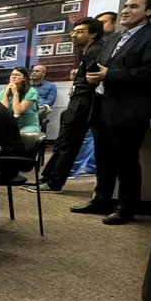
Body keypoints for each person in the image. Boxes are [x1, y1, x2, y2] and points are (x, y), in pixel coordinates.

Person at [73, 0, 151, 224]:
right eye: (125, 6)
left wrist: (111, 74)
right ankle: (101, 200)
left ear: (150, 10)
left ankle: (126, 207)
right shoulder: (113, 38)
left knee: (126, 160)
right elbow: (102, 68)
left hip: (129, 108)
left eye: (134, 7)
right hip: (101, 105)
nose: (126, 11)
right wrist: (94, 77)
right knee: (103, 157)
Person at [36, 17, 105, 192]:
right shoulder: (87, 51)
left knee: (68, 143)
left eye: (80, 31)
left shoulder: (95, 50)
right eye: (73, 31)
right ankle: (49, 177)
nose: (74, 35)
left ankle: (54, 183)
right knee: (63, 142)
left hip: (84, 102)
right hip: (78, 100)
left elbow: (93, 79)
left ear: (93, 34)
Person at [0, 66, 40, 132]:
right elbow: (4, 111)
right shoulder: (3, 92)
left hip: (27, 125)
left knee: (16, 135)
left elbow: (17, 112)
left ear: (24, 78)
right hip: (10, 124)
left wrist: (15, 93)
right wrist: (5, 94)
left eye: (18, 75)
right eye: (12, 75)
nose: (14, 77)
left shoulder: (31, 91)